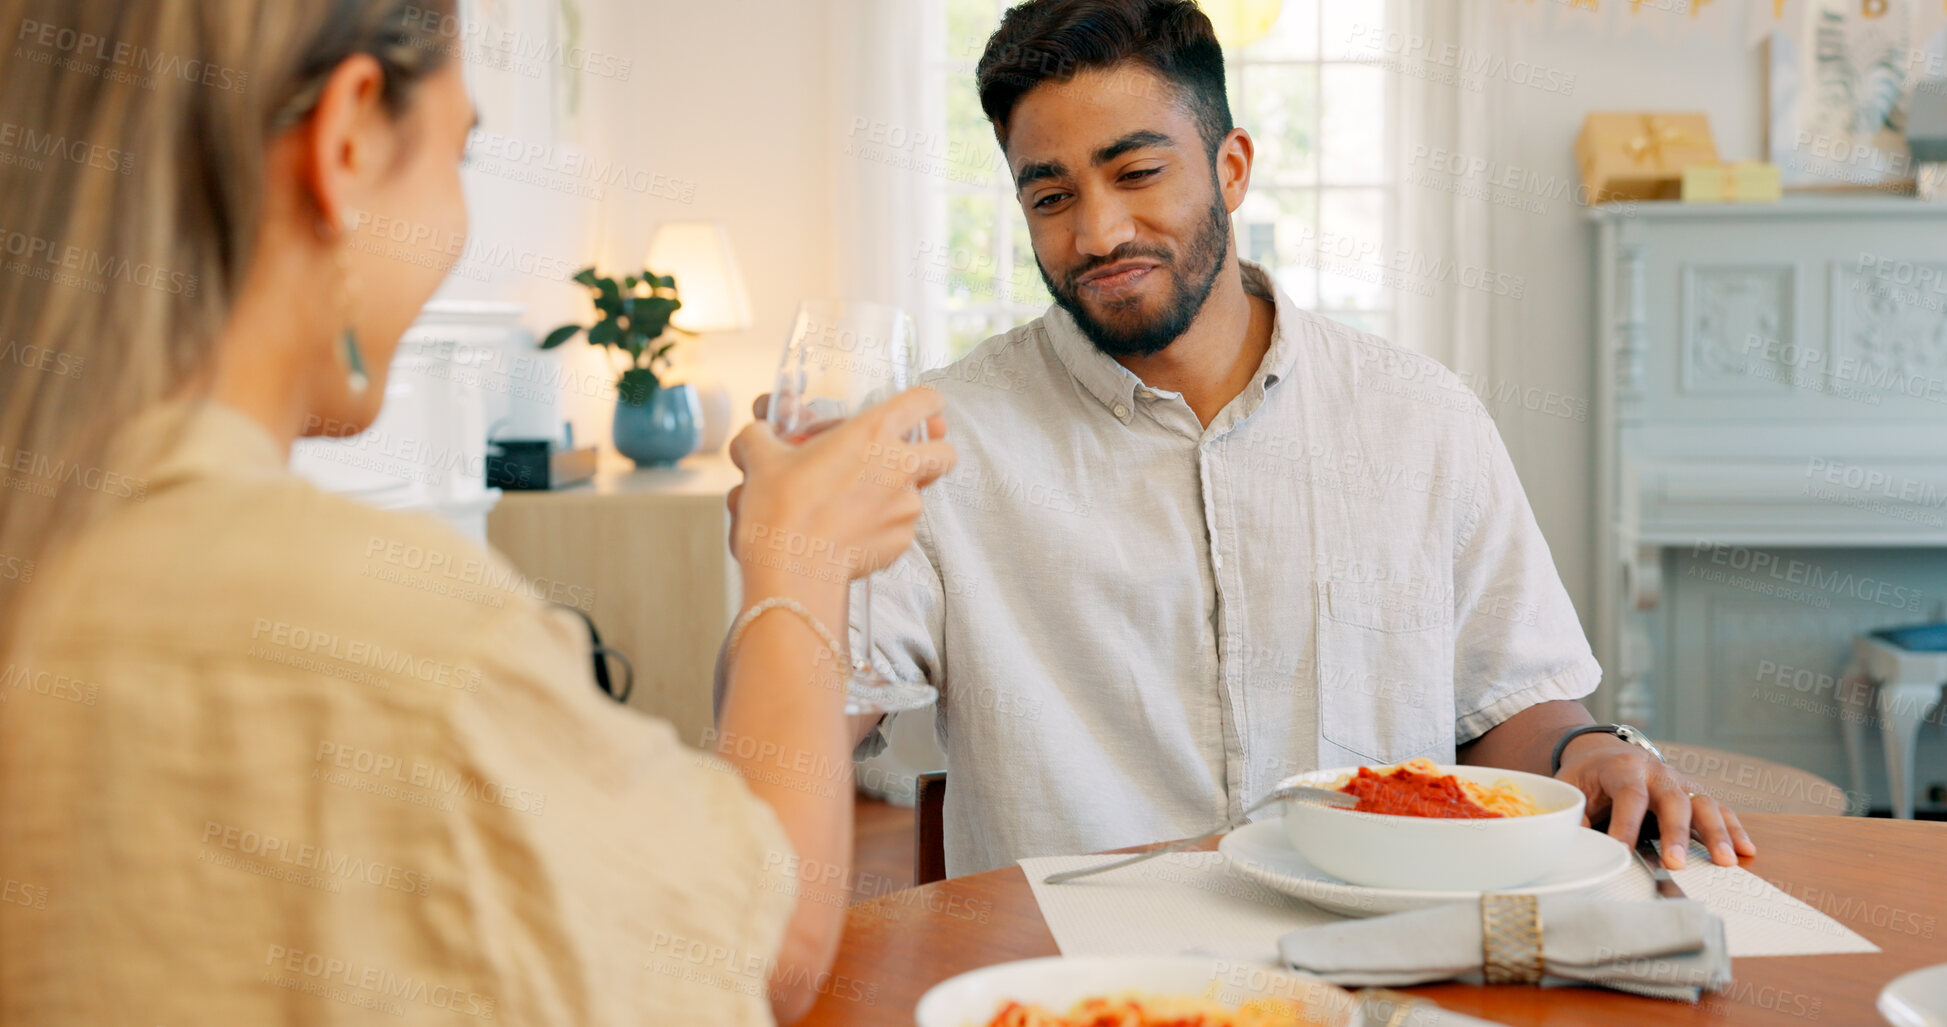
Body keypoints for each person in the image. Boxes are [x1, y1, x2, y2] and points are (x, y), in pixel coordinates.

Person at [0, 1, 951, 1023]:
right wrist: (800, 560)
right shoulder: (394, 638)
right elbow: (760, 950)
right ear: (350, 141)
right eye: (459, 153)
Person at [819, 0, 1757, 877]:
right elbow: (811, 718)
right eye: (1051, 196)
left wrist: (1589, 749)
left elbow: (1510, 701)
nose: (1100, 232)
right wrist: (791, 563)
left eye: (1137, 173)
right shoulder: (941, 442)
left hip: (1381, 968)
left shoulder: (1420, 418)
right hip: (1082, 987)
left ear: (1231, 167)